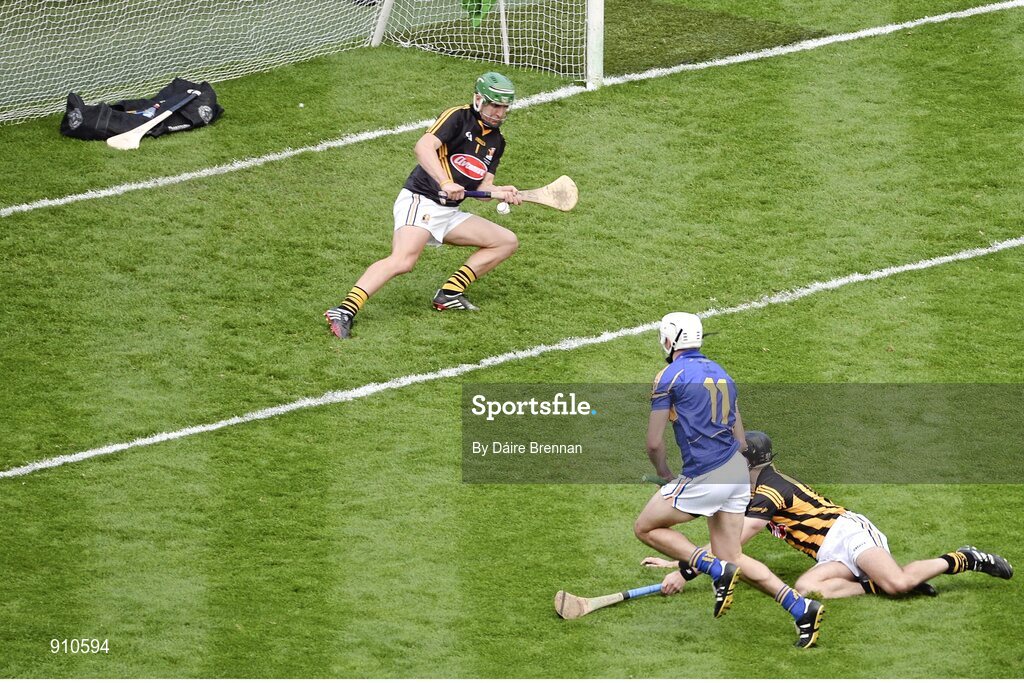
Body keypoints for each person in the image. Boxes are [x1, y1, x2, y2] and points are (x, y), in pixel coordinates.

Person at [633, 313, 825, 648]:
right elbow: (740, 441)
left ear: (670, 340)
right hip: (736, 474)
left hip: (707, 474)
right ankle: (802, 608)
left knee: (646, 528)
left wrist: (665, 475)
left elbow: (653, 442)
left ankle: (711, 567)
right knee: (732, 556)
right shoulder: (724, 375)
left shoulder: (668, 375)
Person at [644, 431, 1013, 599]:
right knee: (807, 588)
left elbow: (735, 543)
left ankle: (962, 558)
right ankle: (874, 585)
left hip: (850, 536)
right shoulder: (755, 488)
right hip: (828, 553)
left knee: (899, 582)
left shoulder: (769, 492)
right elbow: (724, 541)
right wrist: (676, 561)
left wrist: (683, 569)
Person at [324, 72, 523, 338]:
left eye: (504, 107)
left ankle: (449, 293)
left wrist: (500, 191)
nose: (499, 113)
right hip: (421, 199)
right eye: (494, 105)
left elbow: (481, 186)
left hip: (449, 212)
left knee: (506, 241)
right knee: (404, 260)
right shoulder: (458, 117)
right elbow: (423, 147)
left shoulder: (496, 142)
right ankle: (344, 310)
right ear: (478, 99)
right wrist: (444, 181)